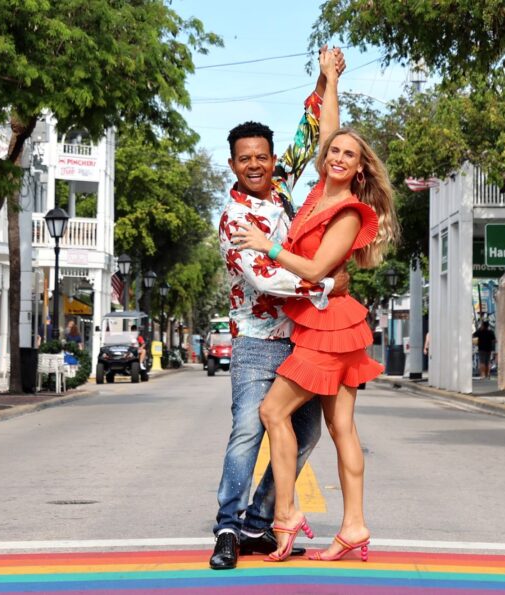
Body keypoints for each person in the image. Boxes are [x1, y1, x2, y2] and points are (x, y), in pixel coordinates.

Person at [233, 55, 399, 563]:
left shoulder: (349, 209)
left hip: (329, 324)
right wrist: (332, 80)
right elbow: (329, 127)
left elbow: (316, 271)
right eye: (337, 152)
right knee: (340, 428)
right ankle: (352, 527)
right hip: (331, 319)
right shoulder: (314, 194)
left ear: (361, 166)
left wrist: (266, 243)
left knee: (271, 411)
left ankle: (287, 515)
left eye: (351, 154)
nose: (340, 156)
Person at [210, 47, 347, 571]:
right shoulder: (232, 219)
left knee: (308, 433)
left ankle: (258, 522)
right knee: (249, 429)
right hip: (256, 342)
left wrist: (324, 75)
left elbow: (311, 125)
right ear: (233, 164)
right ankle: (227, 524)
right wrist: (324, 283)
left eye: (261, 157)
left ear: (271, 160)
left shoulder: (285, 192)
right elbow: (265, 278)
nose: (254, 165)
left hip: (305, 338)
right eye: (244, 158)